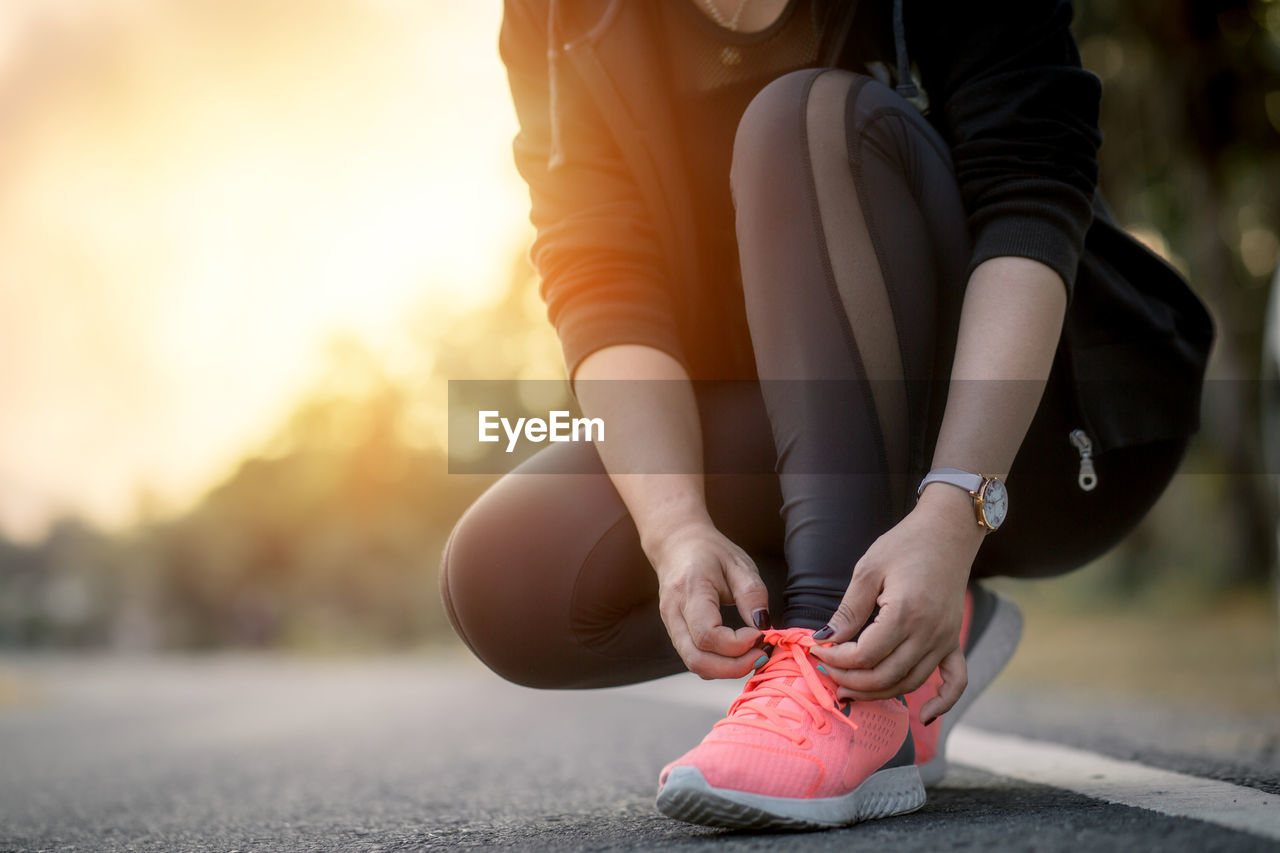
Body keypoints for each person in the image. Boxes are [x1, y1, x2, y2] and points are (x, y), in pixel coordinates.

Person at [441, 0, 1215, 831]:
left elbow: (1032, 193)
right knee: (507, 577)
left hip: (1034, 433)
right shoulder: (557, 14)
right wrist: (676, 531)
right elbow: (603, 282)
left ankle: (845, 682)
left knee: (805, 118)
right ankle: (895, 630)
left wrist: (956, 506)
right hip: (799, 431)